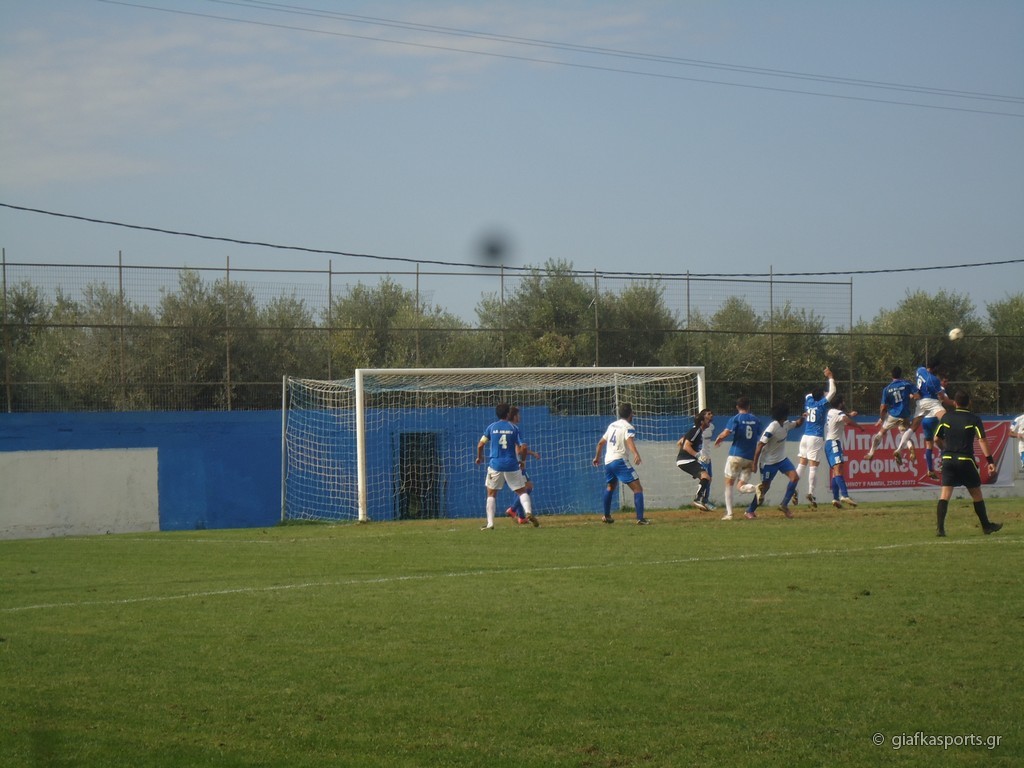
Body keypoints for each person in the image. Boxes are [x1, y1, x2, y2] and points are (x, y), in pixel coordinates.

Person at [934, 390, 1002, 537]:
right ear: (969, 403)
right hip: (965, 460)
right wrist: (990, 461)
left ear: (955, 403)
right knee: (976, 493)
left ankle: (940, 529)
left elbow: (936, 439)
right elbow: (982, 440)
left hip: (948, 460)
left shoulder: (946, 417)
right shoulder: (973, 419)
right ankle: (986, 526)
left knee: (945, 494)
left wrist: (945, 450)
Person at [475, 402, 537, 530]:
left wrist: (479, 457)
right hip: (511, 465)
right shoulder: (514, 428)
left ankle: (490, 523)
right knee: (522, 491)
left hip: (495, 465)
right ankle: (528, 512)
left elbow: (480, 445)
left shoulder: (491, 427)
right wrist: (523, 461)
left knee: (491, 494)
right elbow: (523, 447)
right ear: (508, 413)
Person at [593, 402, 648, 525]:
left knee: (610, 487)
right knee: (638, 488)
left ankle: (606, 516)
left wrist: (597, 457)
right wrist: (636, 454)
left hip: (608, 462)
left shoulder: (612, 425)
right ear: (630, 414)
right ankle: (640, 519)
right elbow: (629, 441)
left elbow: (600, 443)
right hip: (619, 461)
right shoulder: (628, 427)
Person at [748, 401, 804, 519]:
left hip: (781, 460)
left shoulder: (786, 424)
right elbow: (760, 445)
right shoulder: (772, 427)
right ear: (784, 414)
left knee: (794, 477)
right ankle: (750, 511)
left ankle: (784, 505)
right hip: (768, 462)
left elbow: (797, 424)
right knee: (765, 488)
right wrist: (754, 464)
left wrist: (803, 417)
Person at [714, 396, 762, 521]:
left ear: (737, 407)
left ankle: (729, 514)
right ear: (749, 406)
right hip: (750, 457)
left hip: (736, 455)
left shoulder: (736, 418)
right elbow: (759, 436)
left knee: (729, 484)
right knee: (741, 486)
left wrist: (719, 438)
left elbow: (727, 432)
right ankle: (755, 488)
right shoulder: (756, 420)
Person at [795, 367, 836, 509]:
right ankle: (811, 492)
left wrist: (820, 393)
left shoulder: (808, 400)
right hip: (816, 437)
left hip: (805, 437)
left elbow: (811, 394)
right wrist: (830, 377)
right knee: (813, 467)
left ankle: (793, 486)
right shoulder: (822, 404)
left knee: (801, 464)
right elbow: (832, 392)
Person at [897, 360, 951, 465]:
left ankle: (899, 449)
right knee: (947, 418)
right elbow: (941, 397)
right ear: (935, 368)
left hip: (920, 403)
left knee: (912, 428)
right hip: (931, 402)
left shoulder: (920, 370)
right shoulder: (934, 379)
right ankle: (953, 447)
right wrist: (952, 402)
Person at [864, 366, 919, 462]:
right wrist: (911, 396)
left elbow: (883, 407)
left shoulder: (887, 389)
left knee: (881, 432)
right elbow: (917, 395)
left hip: (894, 415)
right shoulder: (907, 384)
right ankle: (910, 450)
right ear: (900, 374)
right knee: (905, 434)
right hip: (905, 415)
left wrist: (882, 418)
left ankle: (871, 453)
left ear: (891, 375)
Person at [824, 394, 863, 508]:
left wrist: (849, 414)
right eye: (843, 401)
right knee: (839, 470)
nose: (844, 403)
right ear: (840, 403)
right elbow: (847, 421)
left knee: (835, 472)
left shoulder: (830, 411)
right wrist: (859, 427)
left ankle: (836, 499)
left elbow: (842, 415)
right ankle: (845, 495)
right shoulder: (839, 413)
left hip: (828, 443)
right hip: (834, 443)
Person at [504, 406, 541, 525]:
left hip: (503, 464)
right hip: (516, 465)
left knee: (520, 491)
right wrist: (527, 458)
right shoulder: (514, 429)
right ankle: (513, 509)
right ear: (514, 416)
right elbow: (519, 450)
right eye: (518, 415)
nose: (520, 417)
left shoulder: (504, 428)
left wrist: (531, 453)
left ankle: (521, 517)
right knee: (528, 487)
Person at [676, 409, 715, 511]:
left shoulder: (697, 431)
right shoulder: (696, 430)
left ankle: (701, 500)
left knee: (706, 477)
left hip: (687, 460)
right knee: (706, 476)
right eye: (707, 418)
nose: (709, 421)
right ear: (702, 422)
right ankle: (698, 499)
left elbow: (680, 443)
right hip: (686, 460)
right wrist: (697, 456)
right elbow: (686, 446)